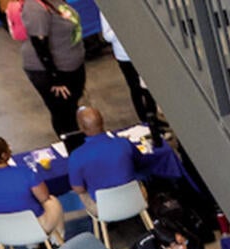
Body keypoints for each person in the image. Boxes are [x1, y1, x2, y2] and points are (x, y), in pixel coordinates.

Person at [0, 136, 65, 240]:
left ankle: (34, 246)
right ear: (4, 155)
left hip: (1, 230)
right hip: (35, 226)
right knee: (53, 201)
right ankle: (57, 241)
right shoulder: (25, 172)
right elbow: (44, 197)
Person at [20, 0, 87, 141]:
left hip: (71, 64)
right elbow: (40, 45)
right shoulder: (34, 7)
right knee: (63, 114)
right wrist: (55, 79)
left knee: (71, 107)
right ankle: (73, 147)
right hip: (51, 71)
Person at [66, 107, 142, 197]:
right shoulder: (124, 143)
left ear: (81, 127)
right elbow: (140, 163)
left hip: (105, 207)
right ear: (102, 121)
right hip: (134, 199)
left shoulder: (76, 156)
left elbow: (79, 189)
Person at [97, 17, 160, 126]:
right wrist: (122, 27)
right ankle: (144, 120)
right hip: (124, 56)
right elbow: (107, 36)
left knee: (149, 86)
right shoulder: (105, 12)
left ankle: (153, 117)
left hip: (141, 52)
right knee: (135, 88)